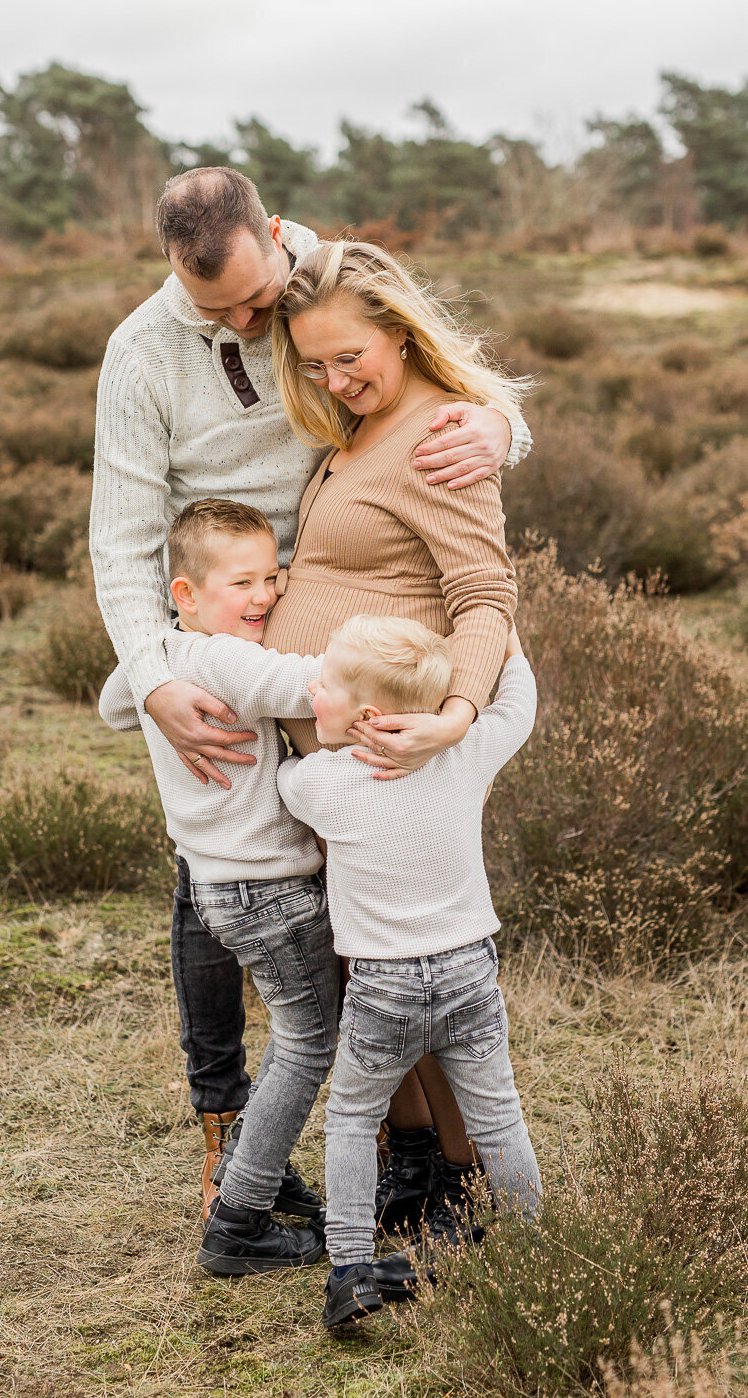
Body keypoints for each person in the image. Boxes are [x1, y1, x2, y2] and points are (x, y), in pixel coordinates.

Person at [89, 167, 532, 1206]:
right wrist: (152, 682)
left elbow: (432, 378)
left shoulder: (324, 288)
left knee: (364, 920)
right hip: (216, 641)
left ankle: (419, 1156)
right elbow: (121, 540)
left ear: (278, 236)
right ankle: (231, 1130)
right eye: (219, 312)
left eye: (257, 299)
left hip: (339, 672)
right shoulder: (142, 354)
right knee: (220, 875)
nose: (251, 324)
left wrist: (500, 428)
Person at [263, 236, 531, 1240]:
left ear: (401, 331)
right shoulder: (362, 427)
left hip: (393, 755)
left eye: (350, 356)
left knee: (415, 976)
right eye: (314, 364)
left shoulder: (437, 436)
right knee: (370, 968)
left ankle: (467, 1182)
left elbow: (483, 592)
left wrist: (454, 718)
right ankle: (418, 1164)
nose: (335, 379)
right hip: (346, 759)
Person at [276, 616, 542, 1329]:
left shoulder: (322, 782)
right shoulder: (465, 754)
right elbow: (517, 709)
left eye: (324, 682)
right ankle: (535, 1248)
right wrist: (506, 641)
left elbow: (285, 777)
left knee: (353, 1119)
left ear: (366, 715)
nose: (311, 689)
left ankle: (351, 1270)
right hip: (469, 974)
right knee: (499, 1116)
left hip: (383, 987)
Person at [99, 498, 338, 1273]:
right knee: (309, 1040)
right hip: (270, 888)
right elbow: (313, 687)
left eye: (273, 576)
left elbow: (112, 703)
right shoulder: (230, 660)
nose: (265, 596)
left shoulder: (165, 659)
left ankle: (248, 1173)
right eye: (243, 583)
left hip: (214, 889)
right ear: (187, 595)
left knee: (298, 1036)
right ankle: (239, 1220)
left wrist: (156, 677)